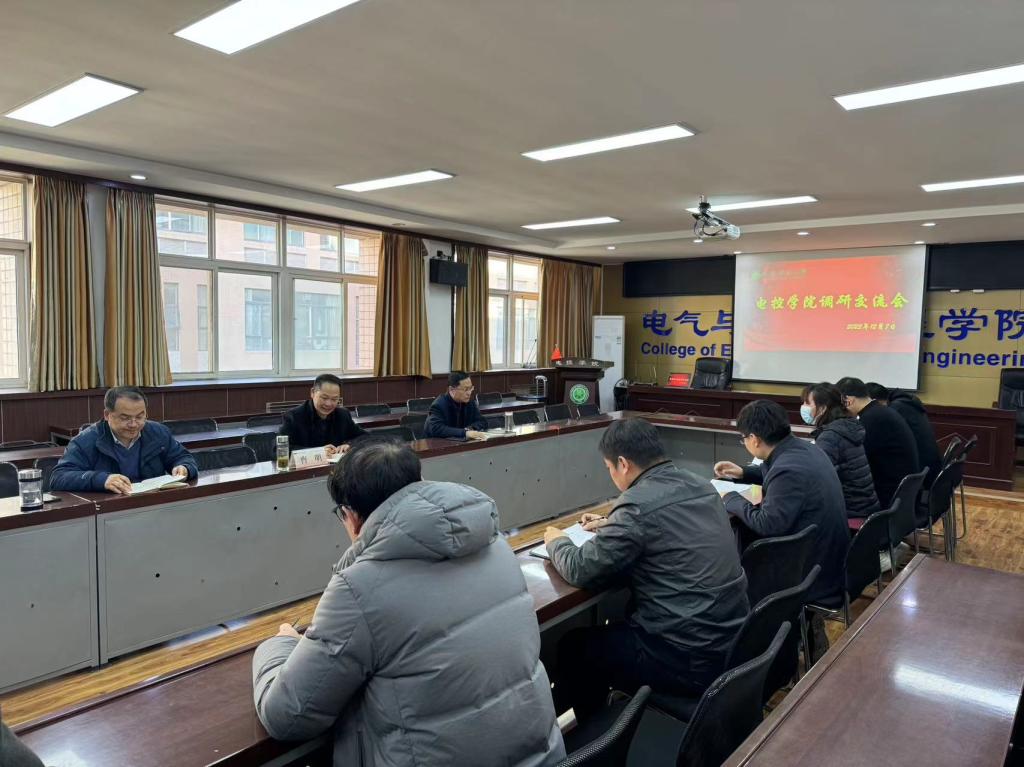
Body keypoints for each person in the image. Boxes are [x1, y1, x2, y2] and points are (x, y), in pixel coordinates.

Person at [252, 438, 565, 766]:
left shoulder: (358, 588)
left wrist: (279, 646)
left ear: (351, 516)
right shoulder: (494, 542)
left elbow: (287, 715)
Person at [543, 418, 749, 721]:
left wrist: (556, 541)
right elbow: (668, 530)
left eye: (609, 467)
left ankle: (600, 737)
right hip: (733, 639)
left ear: (623, 464)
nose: (611, 474)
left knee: (576, 647)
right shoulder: (700, 485)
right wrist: (613, 525)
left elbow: (581, 568)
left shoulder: (636, 505)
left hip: (686, 657)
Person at [715, 400, 849, 610]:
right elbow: (778, 473)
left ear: (754, 439)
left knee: (734, 563)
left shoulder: (788, 469)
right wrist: (743, 473)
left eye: (743, 438)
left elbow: (767, 524)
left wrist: (730, 498)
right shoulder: (804, 449)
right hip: (827, 557)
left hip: (812, 572)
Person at [49, 387, 198, 494]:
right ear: (107, 415)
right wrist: (102, 480)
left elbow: (183, 457)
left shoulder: (158, 432)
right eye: (125, 418)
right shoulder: (86, 440)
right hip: (109, 510)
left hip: (152, 504)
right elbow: (58, 477)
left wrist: (184, 467)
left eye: (140, 417)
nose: (133, 424)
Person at [835, 377, 920, 508]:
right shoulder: (879, 412)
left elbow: (855, 460)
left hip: (890, 496)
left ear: (848, 400)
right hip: (904, 493)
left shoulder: (871, 419)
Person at [801, 383, 880, 519]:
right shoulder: (847, 427)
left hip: (850, 511)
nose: (803, 407)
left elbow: (814, 478)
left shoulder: (831, 436)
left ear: (823, 408)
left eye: (807, 403)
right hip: (865, 505)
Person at [866, 382, 942, 489]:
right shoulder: (906, 403)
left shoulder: (895, 409)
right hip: (928, 472)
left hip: (919, 478)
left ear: (873, 401)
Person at [279, 373, 366, 455]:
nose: (328, 404)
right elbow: (279, 449)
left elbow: (365, 437)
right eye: (324, 398)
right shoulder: (293, 417)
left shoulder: (342, 415)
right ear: (312, 392)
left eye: (334, 399)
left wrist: (349, 445)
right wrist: (317, 452)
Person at [423, 371, 488, 439]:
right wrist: (464, 433)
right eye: (466, 389)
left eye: (471, 388)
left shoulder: (470, 402)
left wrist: (470, 429)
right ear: (451, 389)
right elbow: (436, 428)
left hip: (461, 442)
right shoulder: (439, 405)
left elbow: (482, 422)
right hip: (437, 443)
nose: (469, 393)